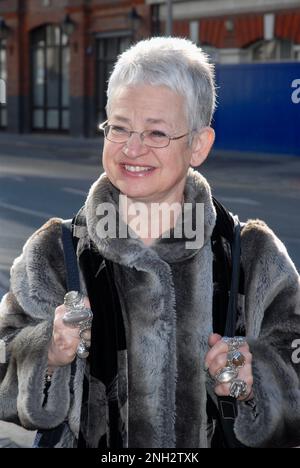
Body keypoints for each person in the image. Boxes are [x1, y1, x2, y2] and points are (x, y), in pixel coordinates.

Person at [0, 37, 300, 449]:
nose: (132, 148)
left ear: (199, 144)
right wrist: (47, 351)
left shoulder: (252, 255)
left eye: (156, 132)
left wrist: (255, 377)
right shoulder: (56, 251)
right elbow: (3, 357)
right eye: (119, 127)